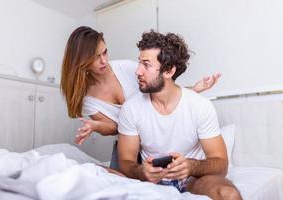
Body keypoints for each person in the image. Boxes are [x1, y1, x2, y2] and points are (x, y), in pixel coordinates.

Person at [60, 26, 221, 170]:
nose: (104, 60)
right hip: (128, 141)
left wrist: (194, 89)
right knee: (106, 177)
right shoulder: (86, 99)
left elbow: (162, 88)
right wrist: (96, 126)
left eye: (105, 52)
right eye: (95, 57)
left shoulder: (127, 68)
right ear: (82, 61)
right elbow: (114, 127)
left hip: (149, 139)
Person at [117, 30, 242, 200]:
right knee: (96, 174)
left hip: (191, 180)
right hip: (149, 183)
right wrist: (141, 171)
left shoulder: (200, 106)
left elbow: (221, 164)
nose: (138, 71)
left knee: (229, 194)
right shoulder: (131, 108)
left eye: (146, 64)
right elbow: (125, 161)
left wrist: (191, 166)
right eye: (139, 63)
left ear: (168, 71)